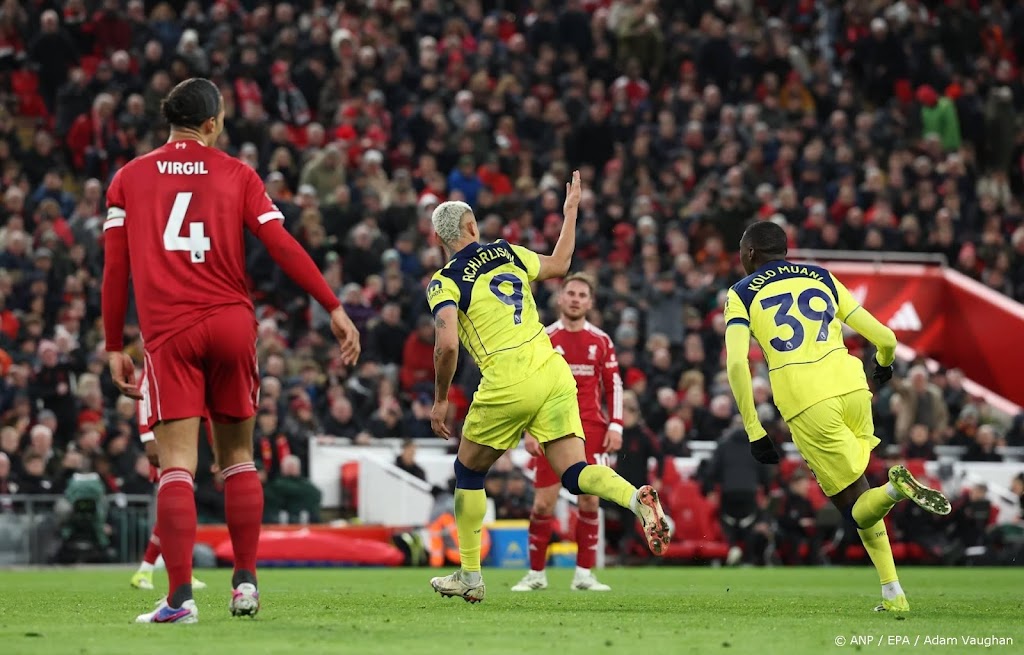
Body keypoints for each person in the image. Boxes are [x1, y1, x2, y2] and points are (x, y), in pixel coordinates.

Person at [102, 78, 360, 624]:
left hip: (170, 331)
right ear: (212, 123)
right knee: (238, 456)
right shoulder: (238, 174)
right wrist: (332, 305)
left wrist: (111, 345)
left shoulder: (128, 178)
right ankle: (245, 584)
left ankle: (179, 600)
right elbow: (281, 244)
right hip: (231, 324)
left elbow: (114, 270)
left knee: (177, 465)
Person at [425, 172, 669, 603]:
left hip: (507, 378)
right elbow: (559, 264)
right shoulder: (506, 252)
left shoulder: (444, 281)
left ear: (439, 239)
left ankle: (470, 575)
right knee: (574, 474)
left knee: (469, 473)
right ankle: (636, 499)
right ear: (473, 227)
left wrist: (441, 398)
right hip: (552, 369)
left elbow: (446, 344)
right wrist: (570, 212)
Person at [724, 221, 951, 613]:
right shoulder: (821, 276)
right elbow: (886, 338)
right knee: (860, 491)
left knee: (854, 507)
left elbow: (735, 364)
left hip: (807, 400)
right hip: (854, 388)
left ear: (750, 253)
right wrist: (884, 364)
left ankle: (895, 490)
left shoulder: (742, 292)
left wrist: (754, 428)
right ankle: (893, 593)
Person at [513, 273, 623, 592]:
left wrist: (616, 424)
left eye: (582, 295)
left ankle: (584, 575)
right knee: (542, 505)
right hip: (552, 430)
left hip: (591, 429)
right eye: (571, 293)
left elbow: (614, 385)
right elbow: (530, 386)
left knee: (589, 501)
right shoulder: (544, 338)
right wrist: (529, 430)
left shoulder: (601, 341)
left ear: (590, 302)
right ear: (560, 298)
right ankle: (536, 575)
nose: (575, 299)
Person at [130, 389, 207, 592]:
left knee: (173, 515)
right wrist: (148, 438)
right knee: (174, 513)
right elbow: (144, 398)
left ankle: (150, 570)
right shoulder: (154, 370)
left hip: (179, 443)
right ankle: (153, 569)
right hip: (165, 444)